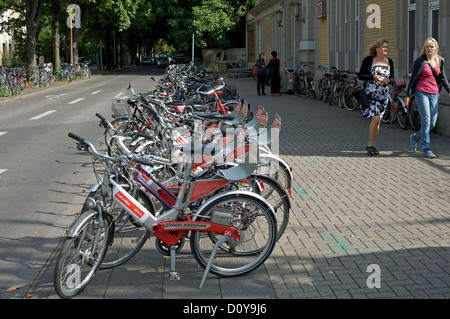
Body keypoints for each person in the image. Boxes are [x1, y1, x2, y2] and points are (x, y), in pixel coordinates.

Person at [406, 38, 450, 159]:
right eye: (427, 47)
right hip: (422, 93)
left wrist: (449, 90)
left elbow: (443, 78)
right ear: (424, 49)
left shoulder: (439, 61)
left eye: (432, 47)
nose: (429, 49)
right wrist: (408, 95)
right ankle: (426, 148)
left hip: (434, 94)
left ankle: (415, 137)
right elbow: (413, 78)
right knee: (426, 121)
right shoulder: (420, 61)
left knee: (432, 123)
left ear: (436, 48)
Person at [358, 39, 395, 156]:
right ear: (377, 48)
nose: (386, 49)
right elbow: (361, 76)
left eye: (387, 47)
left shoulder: (389, 61)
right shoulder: (369, 60)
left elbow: (392, 78)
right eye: (383, 47)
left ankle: (372, 144)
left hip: (383, 94)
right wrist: (373, 77)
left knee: (378, 121)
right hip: (371, 93)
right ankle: (370, 145)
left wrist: (389, 80)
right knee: (376, 118)